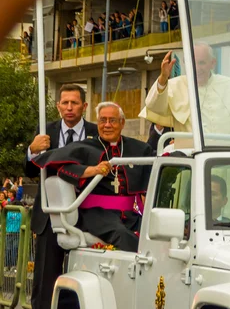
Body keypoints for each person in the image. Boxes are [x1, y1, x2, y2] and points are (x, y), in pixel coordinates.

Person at [139, 43, 230, 220]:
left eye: (202, 63)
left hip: (228, 164)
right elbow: (154, 107)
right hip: (192, 166)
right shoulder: (174, 85)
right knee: (188, 218)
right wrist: (163, 79)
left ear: (213, 63)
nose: (197, 68)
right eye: (193, 63)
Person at [32, 102, 152, 252]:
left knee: (156, 232)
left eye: (112, 120)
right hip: (95, 214)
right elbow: (60, 167)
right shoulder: (85, 147)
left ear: (122, 123)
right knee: (121, 234)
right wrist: (92, 170)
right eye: (102, 120)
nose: (107, 125)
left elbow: (156, 163)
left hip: (130, 215)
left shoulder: (138, 148)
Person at [24, 84, 97, 309]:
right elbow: (29, 171)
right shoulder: (46, 131)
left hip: (86, 216)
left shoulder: (96, 132)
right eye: (64, 103)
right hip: (50, 218)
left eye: (74, 103)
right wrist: (32, 150)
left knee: (87, 280)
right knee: (45, 283)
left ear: (84, 106)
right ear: (58, 106)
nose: (69, 108)